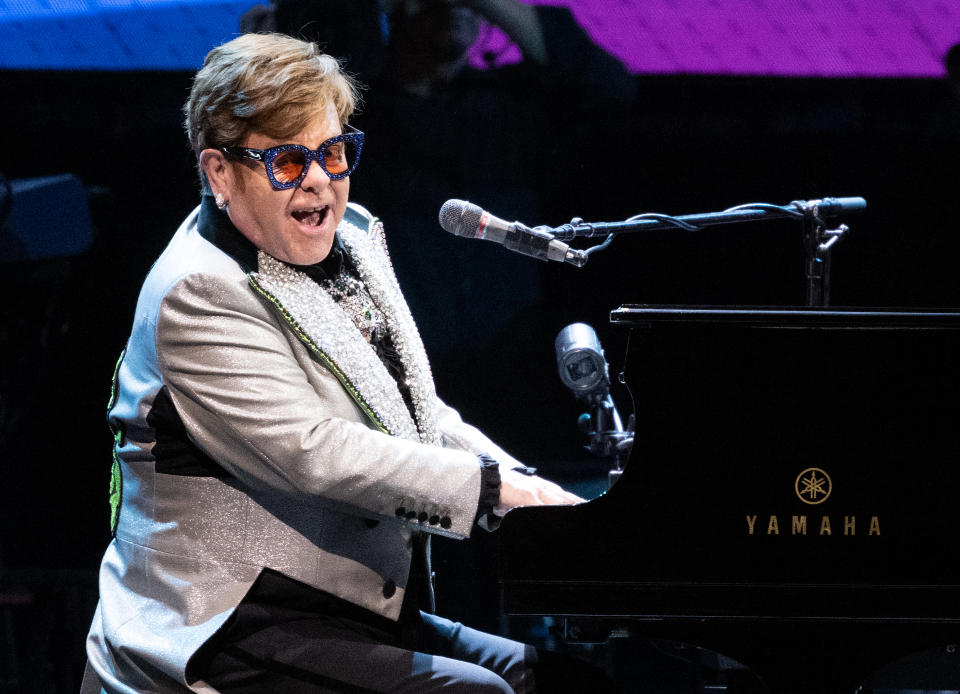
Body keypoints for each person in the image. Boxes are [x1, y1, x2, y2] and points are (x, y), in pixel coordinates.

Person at [82, 32, 591, 693]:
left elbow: (413, 407)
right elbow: (314, 450)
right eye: (289, 162)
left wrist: (527, 485)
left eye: (332, 152)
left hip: (337, 604)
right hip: (224, 623)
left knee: (559, 679)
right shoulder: (198, 291)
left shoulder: (354, 236)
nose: (320, 179)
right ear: (219, 173)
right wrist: (490, 490)